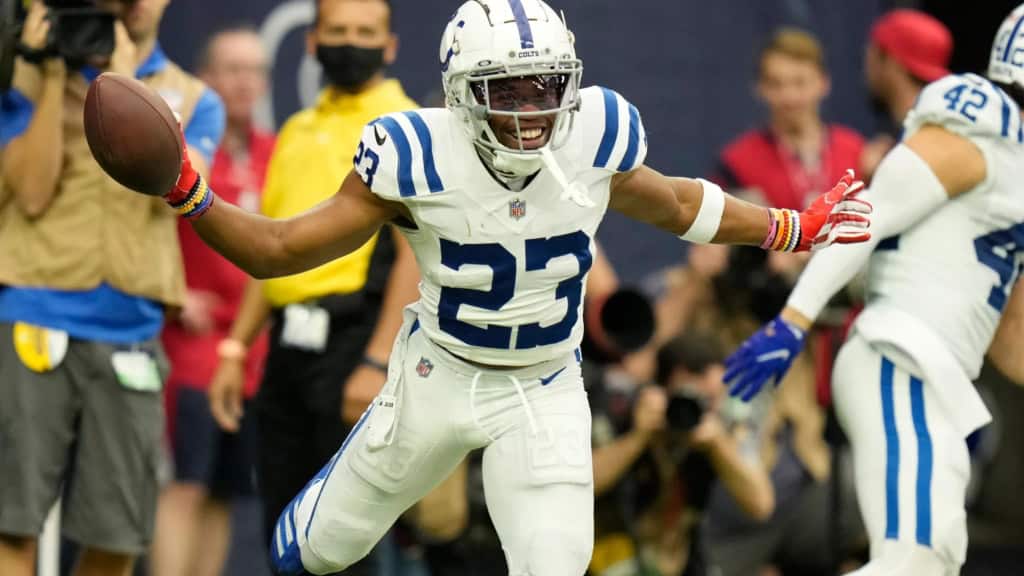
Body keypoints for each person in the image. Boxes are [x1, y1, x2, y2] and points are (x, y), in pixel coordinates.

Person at [142, 1, 872, 574]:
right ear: (462, 96)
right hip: (438, 376)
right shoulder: (416, 155)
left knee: (555, 561)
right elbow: (277, 250)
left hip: (544, 385)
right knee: (322, 550)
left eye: (547, 86)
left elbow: (681, 204)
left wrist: (787, 227)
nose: (531, 110)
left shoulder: (592, 136)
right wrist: (187, 192)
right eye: (507, 90)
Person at [724, 4, 1024, 574]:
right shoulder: (986, 125)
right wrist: (794, 319)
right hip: (899, 356)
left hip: (937, 378)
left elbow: (1011, 336)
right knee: (910, 560)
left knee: (930, 560)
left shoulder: (1016, 162)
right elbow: (869, 212)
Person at [0, 1, 224, 575]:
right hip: (31, 310)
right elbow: (27, 192)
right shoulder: (23, 73)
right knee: (10, 524)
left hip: (132, 331)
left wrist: (119, 87)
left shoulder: (196, 98)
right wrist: (52, 73)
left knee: (120, 534)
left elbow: (173, 196)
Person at [203, 0, 420, 572]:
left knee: (352, 537)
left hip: (358, 340)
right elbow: (271, 251)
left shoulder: (411, 128)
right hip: (287, 348)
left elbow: (415, 259)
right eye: (339, 31)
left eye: (366, 32)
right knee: (285, 523)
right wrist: (234, 348)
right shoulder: (295, 131)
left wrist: (376, 363)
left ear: (391, 45)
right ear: (312, 42)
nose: (352, 42)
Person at [151, 25, 273, 576]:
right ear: (206, 78)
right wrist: (172, 293)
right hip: (194, 350)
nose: (245, 82)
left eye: (255, 70)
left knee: (225, 492)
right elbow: (141, 228)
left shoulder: (277, 151)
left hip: (252, 353)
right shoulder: (182, 150)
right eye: (232, 69)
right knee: (185, 486)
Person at [588, 332, 774, 576]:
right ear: (660, 388)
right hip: (608, 556)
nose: (696, 409)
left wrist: (718, 444)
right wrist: (637, 438)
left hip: (683, 560)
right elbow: (583, 483)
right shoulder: (624, 412)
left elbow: (761, 505)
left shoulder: (720, 430)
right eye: (687, 396)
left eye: (709, 401)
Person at [714, 28, 865, 211]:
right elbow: (707, 237)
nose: (789, 96)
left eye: (799, 82)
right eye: (775, 84)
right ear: (760, 88)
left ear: (823, 83)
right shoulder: (739, 163)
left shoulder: (856, 152)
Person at [861, 9, 953, 179]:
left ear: (890, 60)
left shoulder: (920, 139)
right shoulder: (946, 124)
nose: (867, 64)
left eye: (871, 53)